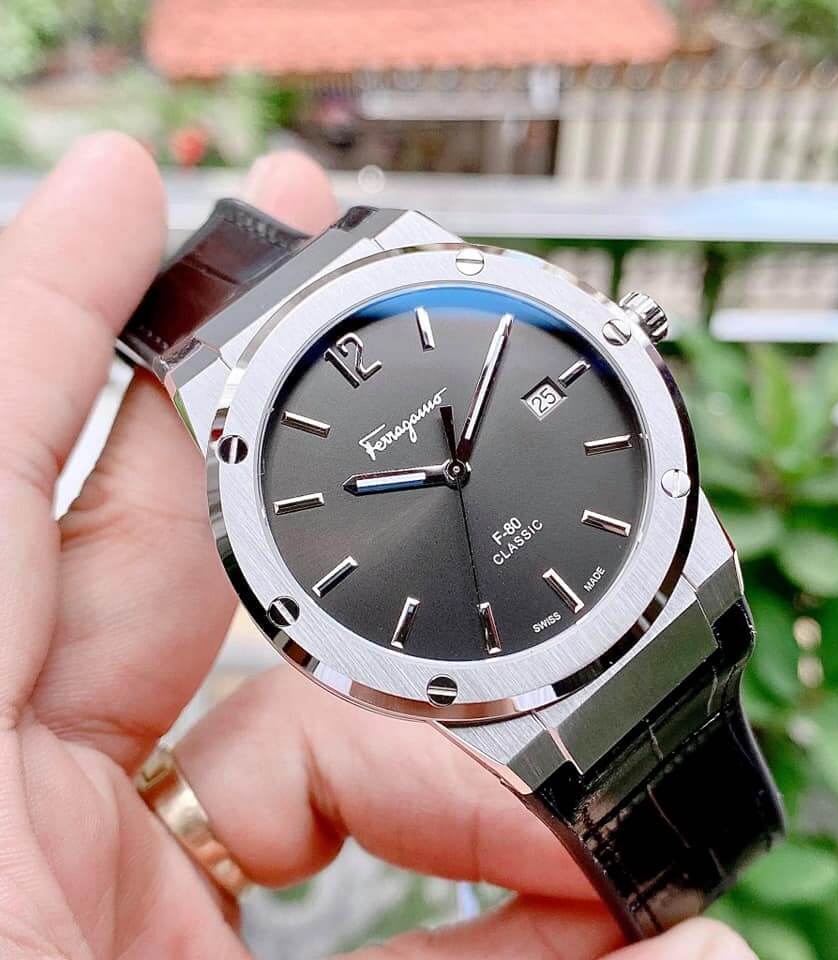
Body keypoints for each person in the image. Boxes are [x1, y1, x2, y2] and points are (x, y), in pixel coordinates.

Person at [0, 131, 758, 960]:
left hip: (675, 585)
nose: (454, 473)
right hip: (516, 684)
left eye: (453, 464)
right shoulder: (236, 377)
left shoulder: (411, 256)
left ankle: (705, 873)